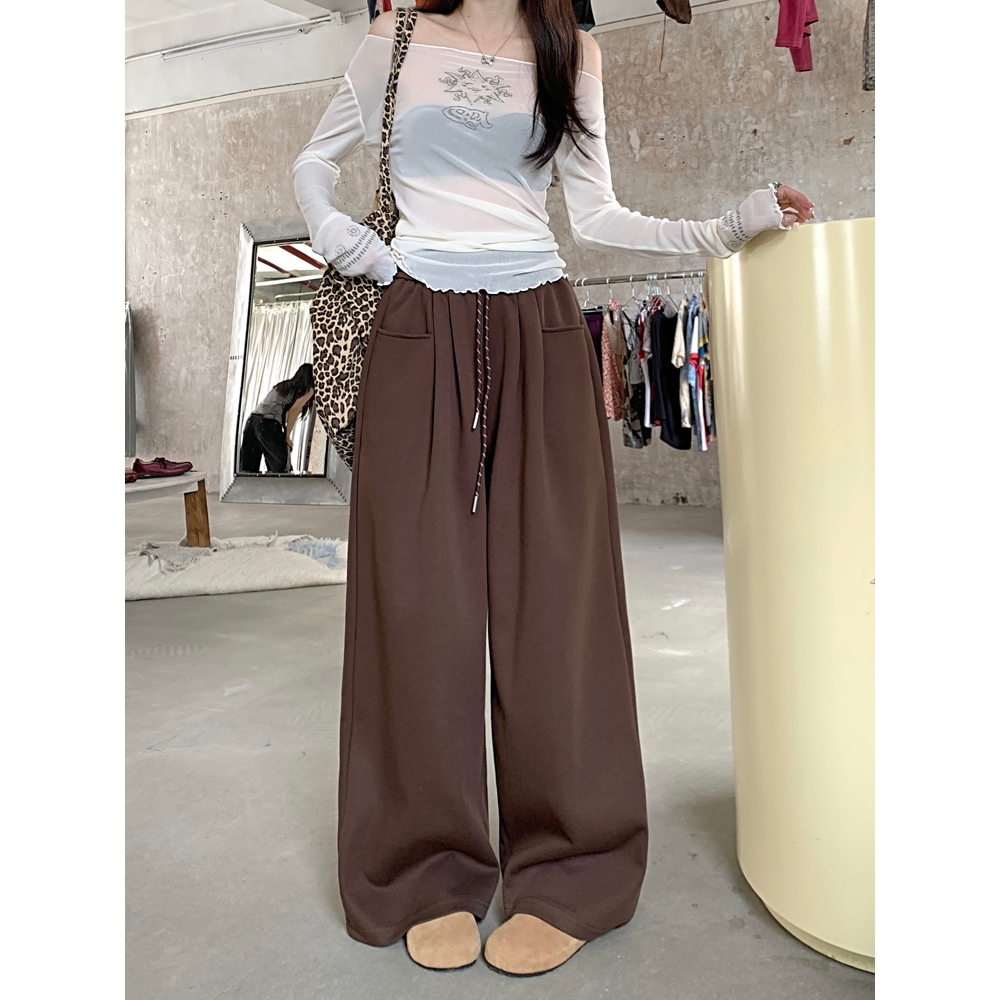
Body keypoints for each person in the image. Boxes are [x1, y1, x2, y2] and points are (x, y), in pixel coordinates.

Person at [292, 0, 814, 977]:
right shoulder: (391, 39)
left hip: (540, 322)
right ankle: (424, 867)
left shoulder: (573, 51)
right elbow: (313, 163)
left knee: (559, 604)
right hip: (416, 324)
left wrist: (726, 225)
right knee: (419, 604)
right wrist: (343, 238)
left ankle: (572, 864)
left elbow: (598, 211)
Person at [238, 363, 314, 474]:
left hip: (252, 420)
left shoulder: (283, 386)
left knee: (248, 468)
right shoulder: (308, 390)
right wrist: (287, 437)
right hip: (268, 422)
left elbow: (285, 414)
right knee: (281, 467)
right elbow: (294, 411)